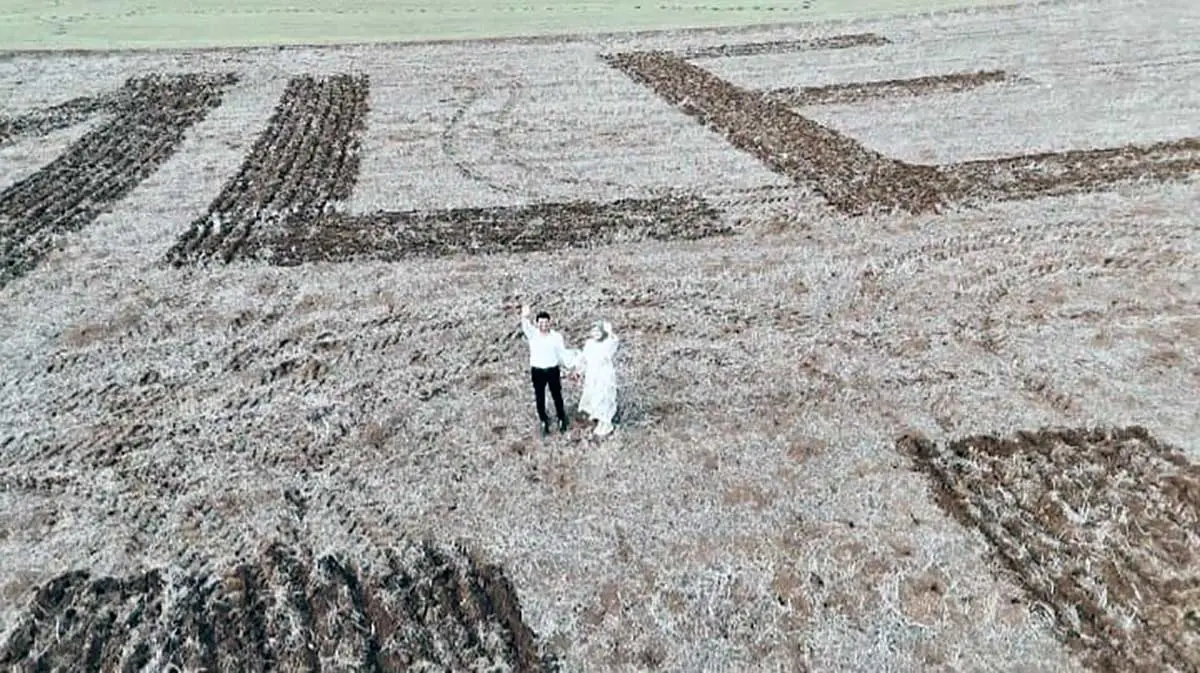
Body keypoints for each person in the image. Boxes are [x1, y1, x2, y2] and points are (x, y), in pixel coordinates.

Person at [520, 304, 572, 437]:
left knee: (557, 395)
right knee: (540, 396)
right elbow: (525, 325)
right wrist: (525, 315)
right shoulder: (533, 334)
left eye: (546, 322)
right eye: (540, 323)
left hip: (552, 369)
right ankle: (544, 420)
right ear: (537, 323)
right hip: (537, 371)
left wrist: (570, 368)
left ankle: (561, 418)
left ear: (550, 323)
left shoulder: (556, 337)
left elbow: (562, 354)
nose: (543, 325)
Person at [570, 320, 620, 436]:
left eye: (598, 331)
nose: (596, 333)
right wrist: (578, 371)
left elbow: (614, 341)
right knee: (593, 398)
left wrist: (609, 330)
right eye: (594, 331)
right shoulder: (589, 344)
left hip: (604, 375)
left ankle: (606, 424)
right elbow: (584, 359)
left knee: (603, 398)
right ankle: (597, 421)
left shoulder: (607, 343)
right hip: (592, 375)